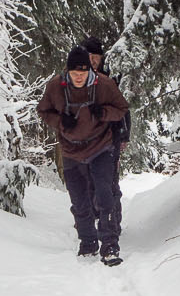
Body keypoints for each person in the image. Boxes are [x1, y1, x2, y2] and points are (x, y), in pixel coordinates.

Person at [38, 45, 129, 264]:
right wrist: (60, 121)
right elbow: (43, 110)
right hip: (71, 149)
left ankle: (109, 245)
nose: (79, 77)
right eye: (75, 73)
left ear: (90, 71)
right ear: (67, 72)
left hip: (101, 146)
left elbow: (122, 109)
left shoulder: (104, 85)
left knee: (104, 194)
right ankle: (88, 243)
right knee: (79, 200)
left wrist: (104, 113)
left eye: (83, 72)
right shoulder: (55, 87)